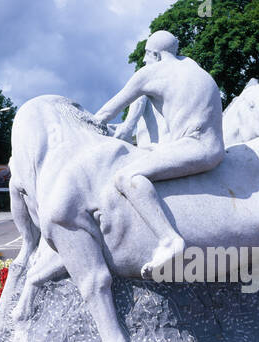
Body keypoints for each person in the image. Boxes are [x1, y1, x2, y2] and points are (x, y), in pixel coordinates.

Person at [93, 30, 225, 279]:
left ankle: (169, 240)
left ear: (154, 54)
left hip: (195, 147)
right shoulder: (196, 70)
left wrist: (88, 125)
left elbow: (106, 113)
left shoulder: (151, 73)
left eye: (146, 55)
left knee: (127, 177)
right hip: (212, 146)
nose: (143, 62)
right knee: (146, 153)